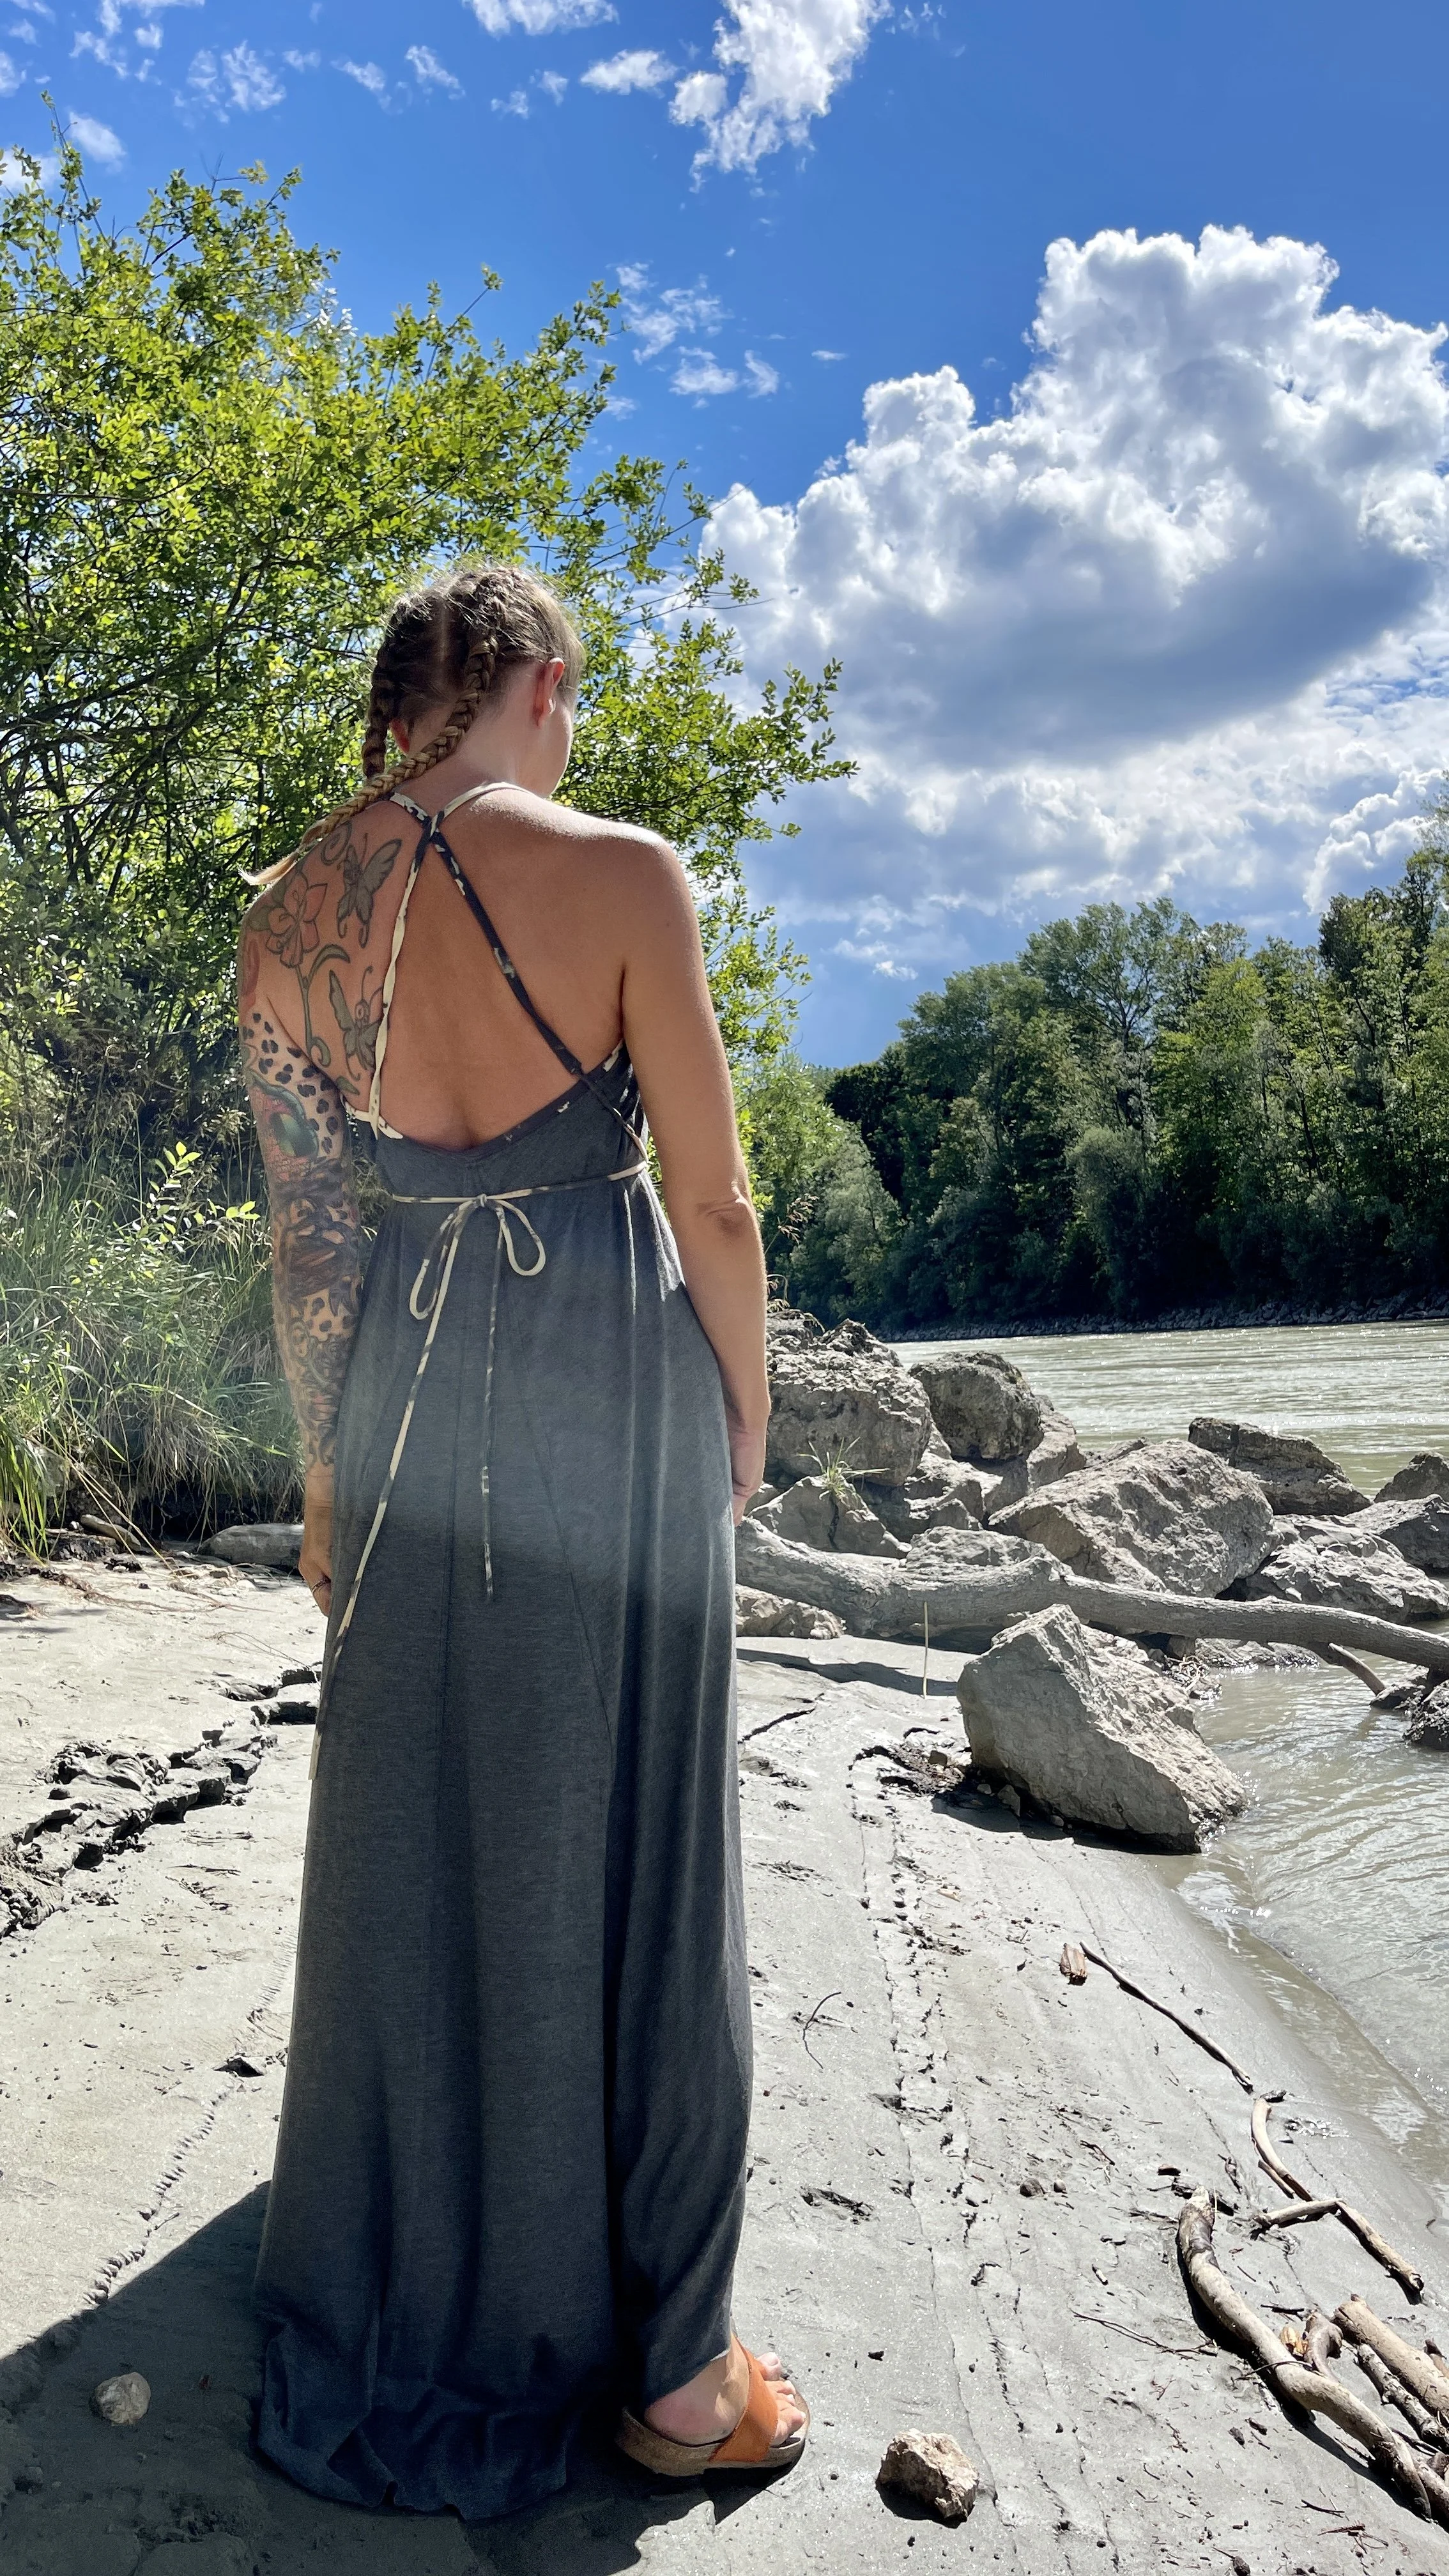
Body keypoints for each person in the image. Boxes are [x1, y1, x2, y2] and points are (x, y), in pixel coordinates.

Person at [238, 561, 808, 2520]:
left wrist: (325, 1470)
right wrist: (741, 1402)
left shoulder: (285, 918)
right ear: (538, 686)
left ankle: (419, 2266)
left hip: (403, 1371)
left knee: (421, 1826)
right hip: (604, 1362)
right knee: (643, 1843)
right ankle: (669, 2377)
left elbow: (308, 1240)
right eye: (568, 705)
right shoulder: (624, 869)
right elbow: (714, 1203)